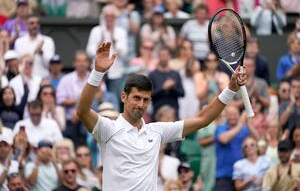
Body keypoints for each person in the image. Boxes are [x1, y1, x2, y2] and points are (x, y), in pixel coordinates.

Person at [76, 42, 247, 191]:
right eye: (136, 98)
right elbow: (82, 111)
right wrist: (97, 72)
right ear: (123, 97)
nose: (141, 104)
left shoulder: (156, 131)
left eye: (145, 100)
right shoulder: (108, 129)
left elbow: (202, 120)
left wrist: (231, 89)